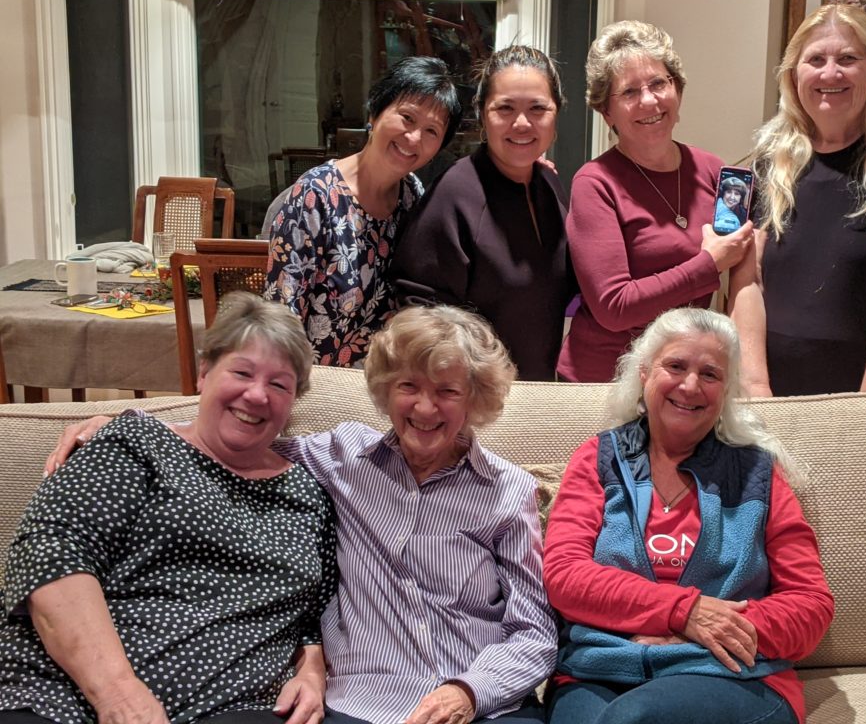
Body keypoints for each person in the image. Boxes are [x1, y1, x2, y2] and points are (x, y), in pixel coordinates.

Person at [45, 305, 556, 724]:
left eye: (447, 391)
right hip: (358, 703)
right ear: (385, 389)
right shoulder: (341, 457)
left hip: (479, 704)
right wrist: (122, 423)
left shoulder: (506, 491)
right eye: (409, 387)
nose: (425, 408)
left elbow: (534, 630)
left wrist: (467, 692)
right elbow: (237, 432)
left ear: (475, 400)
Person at [0, 293, 336, 724]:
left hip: (235, 709)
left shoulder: (309, 495)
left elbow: (313, 613)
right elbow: (50, 554)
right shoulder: (137, 444)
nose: (256, 395)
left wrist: (312, 671)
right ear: (204, 372)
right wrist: (119, 695)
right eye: (242, 372)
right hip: (64, 697)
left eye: (279, 384)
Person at [543, 307, 834, 724]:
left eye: (711, 374)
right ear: (644, 373)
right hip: (599, 670)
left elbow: (810, 605)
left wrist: (697, 632)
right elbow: (566, 576)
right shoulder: (598, 459)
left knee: (631, 720)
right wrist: (685, 611)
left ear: (727, 389)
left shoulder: (757, 473)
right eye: (675, 366)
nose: (690, 385)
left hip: (728, 674)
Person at [729, 4, 866, 396]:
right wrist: (756, 387)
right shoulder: (770, 156)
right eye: (816, 59)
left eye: (848, 59)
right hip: (773, 389)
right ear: (794, 73)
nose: (830, 73)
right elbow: (747, 280)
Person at [556, 20, 754, 383]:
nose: (649, 100)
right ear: (606, 112)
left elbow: (746, 272)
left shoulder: (714, 171)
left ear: (677, 89)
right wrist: (707, 265)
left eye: (659, 83)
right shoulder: (595, 183)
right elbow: (614, 307)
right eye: (629, 92)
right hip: (605, 381)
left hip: (683, 378)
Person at [390, 45, 575, 381]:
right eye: (505, 108)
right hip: (476, 400)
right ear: (481, 114)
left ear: (556, 113)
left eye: (537, 108)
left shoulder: (548, 183)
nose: (521, 123)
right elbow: (421, 314)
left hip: (537, 392)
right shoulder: (455, 193)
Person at [264, 56, 463, 368]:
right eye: (407, 118)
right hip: (318, 387)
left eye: (431, 131)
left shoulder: (413, 197)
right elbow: (279, 318)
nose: (414, 139)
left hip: (387, 387)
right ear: (375, 113)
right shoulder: (314, 197)